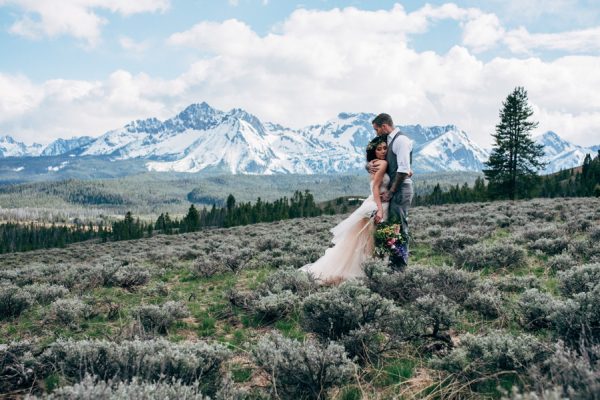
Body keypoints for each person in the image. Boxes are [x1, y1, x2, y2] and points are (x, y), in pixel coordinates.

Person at [299, 136, 390, 284]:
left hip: (372, 202)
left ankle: (366, 269)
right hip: (378, 204)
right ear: (373, 151)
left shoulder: (374, 163)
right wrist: (379, 209)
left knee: (365, 240)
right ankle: (368, 270)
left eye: (385, 148)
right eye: (378, 149)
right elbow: (375, 187)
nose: (383, 151)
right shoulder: (384, 163)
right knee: (369, 240)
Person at [368, 113, 413, 268]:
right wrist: (369, 165)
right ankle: (394, 260)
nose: (376, 133)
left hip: (401, 189)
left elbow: (403, 170)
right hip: (394, 189)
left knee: (400, 225)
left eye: (377, 129)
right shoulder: (389, 141)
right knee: (393, 226)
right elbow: (379, 158)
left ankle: (400, 264)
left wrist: (391, 192)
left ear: (384, 126)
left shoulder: (401, 140)